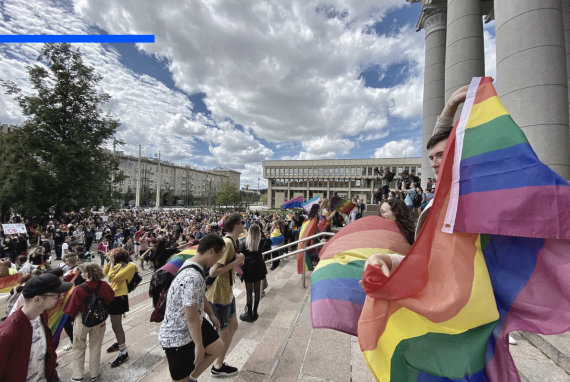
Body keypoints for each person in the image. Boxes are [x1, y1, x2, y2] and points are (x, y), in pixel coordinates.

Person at [158, 234, 226, 382]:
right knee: (180, 378)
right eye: (219, 254)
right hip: (177, 335)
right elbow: (191, 317)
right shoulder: (192, 277)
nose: (219, 259)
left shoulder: (192, 264)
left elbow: (200, 296)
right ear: (211, 251)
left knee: (218, 347)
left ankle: (192, 377)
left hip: (194, 323)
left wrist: (211, 314)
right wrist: (199, 344)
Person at [0, 272, 72, 381]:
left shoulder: (41, 315)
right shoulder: (9, 331)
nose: (61, 296)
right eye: (56, 295)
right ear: (37, 299)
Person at [205, 213, 245, 378]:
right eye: (242, 222)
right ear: (236, 225)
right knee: (225, 331)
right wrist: (237, 262)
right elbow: (214, 271)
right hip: (219, 296)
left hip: (226, 293)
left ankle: (218, 360)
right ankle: (217, 365)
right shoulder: (228, 243)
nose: (244, 225)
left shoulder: (232, 242)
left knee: (233, 325)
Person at [64, 263, 114, 382]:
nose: (81, 274)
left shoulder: (79, 289)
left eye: (83, 272)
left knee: (79, 347)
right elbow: (110, 298)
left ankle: (78, 375)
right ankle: (94, 373)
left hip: (82, 320)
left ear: (88, 273)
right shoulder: (104, 285)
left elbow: (70, 310)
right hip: (99, 320)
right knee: (95, 346)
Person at [103, 247, 137, 367]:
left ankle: (123, 353)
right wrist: (110, 263)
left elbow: (112, 278)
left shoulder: (130, 266)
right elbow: (105, 272)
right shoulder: (118, 265)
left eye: (113, 256)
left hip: (119, 297)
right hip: (113, 295)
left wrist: (112, 263)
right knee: (114, 324)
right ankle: (119, 343)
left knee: (116, 325)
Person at [239, 224, 267, 322]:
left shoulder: (244, 243)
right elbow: (266, 242)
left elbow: (240, 256)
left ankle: (249, 313)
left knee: (249, 292)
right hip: (258, 269)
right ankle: (255, 312)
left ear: (249, 232)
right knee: (257, 291)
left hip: (248, 270)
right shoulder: (262, 241)